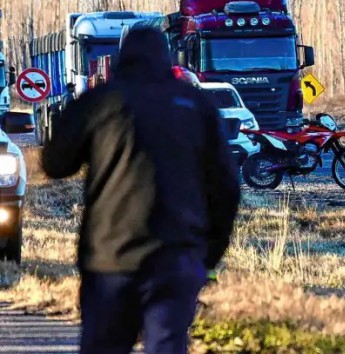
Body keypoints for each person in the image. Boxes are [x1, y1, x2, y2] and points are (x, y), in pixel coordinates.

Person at [41, 26, 241, 354]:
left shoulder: (101, 101)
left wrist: (72, 119)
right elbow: (226, 187)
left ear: (122, 58)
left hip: (109, 259)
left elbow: (55, 163)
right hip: (176, 257)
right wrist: (207, 255)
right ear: (167, 57)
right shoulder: (197, 105)